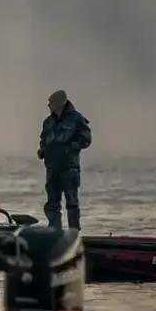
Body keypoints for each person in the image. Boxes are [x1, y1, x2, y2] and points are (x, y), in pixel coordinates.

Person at [38, 90, 91, 230]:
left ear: (60, 103)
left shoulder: (76, 119)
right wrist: (43, 150)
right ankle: (54, 230)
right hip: (52, 167)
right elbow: (43, 139)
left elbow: (86, 138)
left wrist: (71, 148)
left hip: (69, 167)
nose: (49, 105)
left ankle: (74, 231)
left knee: (72, 201)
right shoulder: (48, 122)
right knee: (52, 203)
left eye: (51, 102)